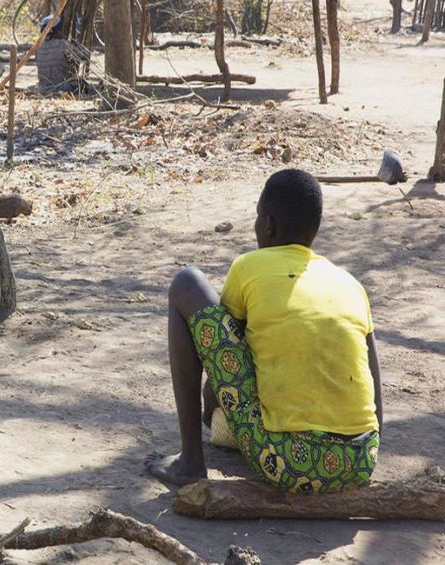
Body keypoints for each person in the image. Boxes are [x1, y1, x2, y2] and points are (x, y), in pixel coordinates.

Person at [147, 169, 383, 493]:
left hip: (291, 463)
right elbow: (373, 379)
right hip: (359, 461)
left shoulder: (248, 266)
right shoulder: (350, 284)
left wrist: (210, 405)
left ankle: (190, 462)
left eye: (258, 217)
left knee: (187, 283)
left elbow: (227, 351)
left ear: (268, 225)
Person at [35, 15, 92, 96]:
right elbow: (84, 56)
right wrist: (79, 46)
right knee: (84, 86)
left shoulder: (38, 47)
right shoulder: (63, 44)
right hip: (61, 88)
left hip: (43, 89)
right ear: (58, 31)